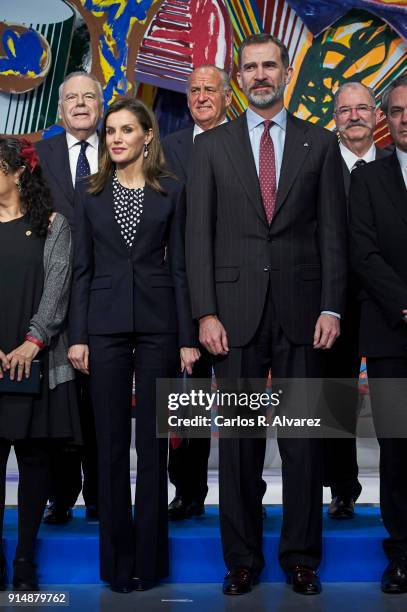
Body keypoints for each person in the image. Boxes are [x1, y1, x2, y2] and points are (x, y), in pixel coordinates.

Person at [186, 33, 347, 596]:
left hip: (305, 314)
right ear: (239, 75)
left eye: (269, 66)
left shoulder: (319, 144)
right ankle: (242, 562)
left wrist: (331, 304)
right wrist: (204, 311)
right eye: (250, 67)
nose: (259, 75)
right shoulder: (210, 147)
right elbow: (196, 239)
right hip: (232, 316)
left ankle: (302, 558)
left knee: (304, 444)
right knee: (239, 447)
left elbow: (333, 233)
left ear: (285, 72)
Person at [68, 97, 199, 593]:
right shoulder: (89, 193)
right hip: (101, 327)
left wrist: (188, 336)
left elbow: (181, 266)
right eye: (110, 132)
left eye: (127, 130)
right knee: (110, 446)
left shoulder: (171, 191)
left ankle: (149, 562)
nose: (116, 138)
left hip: (159, 324)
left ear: (147, 136)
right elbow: (81, 269)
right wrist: (77, 335)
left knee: (153, 447)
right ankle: (116, 565)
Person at [0, 137, 80, 590]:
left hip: (38, 361)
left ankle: (25, 559)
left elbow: (58, 290)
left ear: (17, 173)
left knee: (34, 464)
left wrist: (34, 340)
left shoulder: (53, 224)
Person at [162, 65, 232, 520]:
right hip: (182, 289)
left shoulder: (247, 142)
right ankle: (186, 490)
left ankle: (247, 490)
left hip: (239, 289)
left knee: (238, 398)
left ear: (229, 96)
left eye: (210, 89)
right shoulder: (167, 148)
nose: (201, 96)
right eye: (193, 90)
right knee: (185, 398)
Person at [36, 71, 104, 524]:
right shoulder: (39, 157)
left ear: (101, 105)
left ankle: (102, 496)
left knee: (103, 400)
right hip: (54, 292)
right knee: (60, 397)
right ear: (60, 111)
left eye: (89, 97)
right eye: (71, 99)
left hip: (108, 290)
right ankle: (60, 495)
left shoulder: (125, 149)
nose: (80, 104)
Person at [349, 73, 407, 594]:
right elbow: (363, 255)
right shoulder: (368, 179)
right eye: (398, 109)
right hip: (393, 335)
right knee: (398, 447)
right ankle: (402, 553)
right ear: (385, 120)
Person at [324, 82, 391, 520]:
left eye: (362, 108)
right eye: (345, 110)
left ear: (377, 115)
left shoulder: (396, 166)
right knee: (335, 396)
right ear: (335, 117)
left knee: (392, 402)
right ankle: (342, 488)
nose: (354, 117)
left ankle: (398, 492)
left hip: (385, 301)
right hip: (332, 301)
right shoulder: (318, 166)